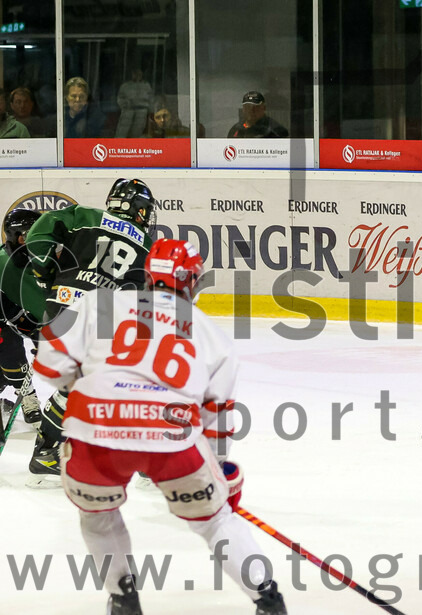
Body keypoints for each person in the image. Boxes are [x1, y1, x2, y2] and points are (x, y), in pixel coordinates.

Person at [33, 238, 288, 614]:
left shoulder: (101, 303)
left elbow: (49, 366)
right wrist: (218, 476)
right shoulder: (211, 334)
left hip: (94, 431)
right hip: (172, 438)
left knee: (98, 516)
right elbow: (216, 419)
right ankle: (268, 600)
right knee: (215, 523)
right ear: (192, 280)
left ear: (151, 273)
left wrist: (90, 383)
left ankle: (123, 601)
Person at [25, 178, 156, 481]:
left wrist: (42, 270)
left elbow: (41, 231)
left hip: (60, 309)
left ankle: (50, 452)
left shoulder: (84, 215)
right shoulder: (149, 246)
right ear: (138, 209)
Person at [0, 208, 45, 430]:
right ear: (17, 236)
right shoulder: (1, 263)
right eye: (31, 233)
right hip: (6, 322)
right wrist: (31, 329)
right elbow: (8, 310)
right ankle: (27, 394)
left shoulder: (44, 259)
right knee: (8, 347)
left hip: (26, 318)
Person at [115, 68, 154, 138]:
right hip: (128, 109)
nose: (137, 76)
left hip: (142, 110)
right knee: (123, 129)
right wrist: (125, 105)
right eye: (135, 74)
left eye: (139, 74)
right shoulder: (125, 86)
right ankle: (118, 144)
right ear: (132, 75)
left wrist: (151, 111)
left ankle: (133, 145)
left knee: (138, 129)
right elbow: (120, 98)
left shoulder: (146, 86)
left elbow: (151, 98)